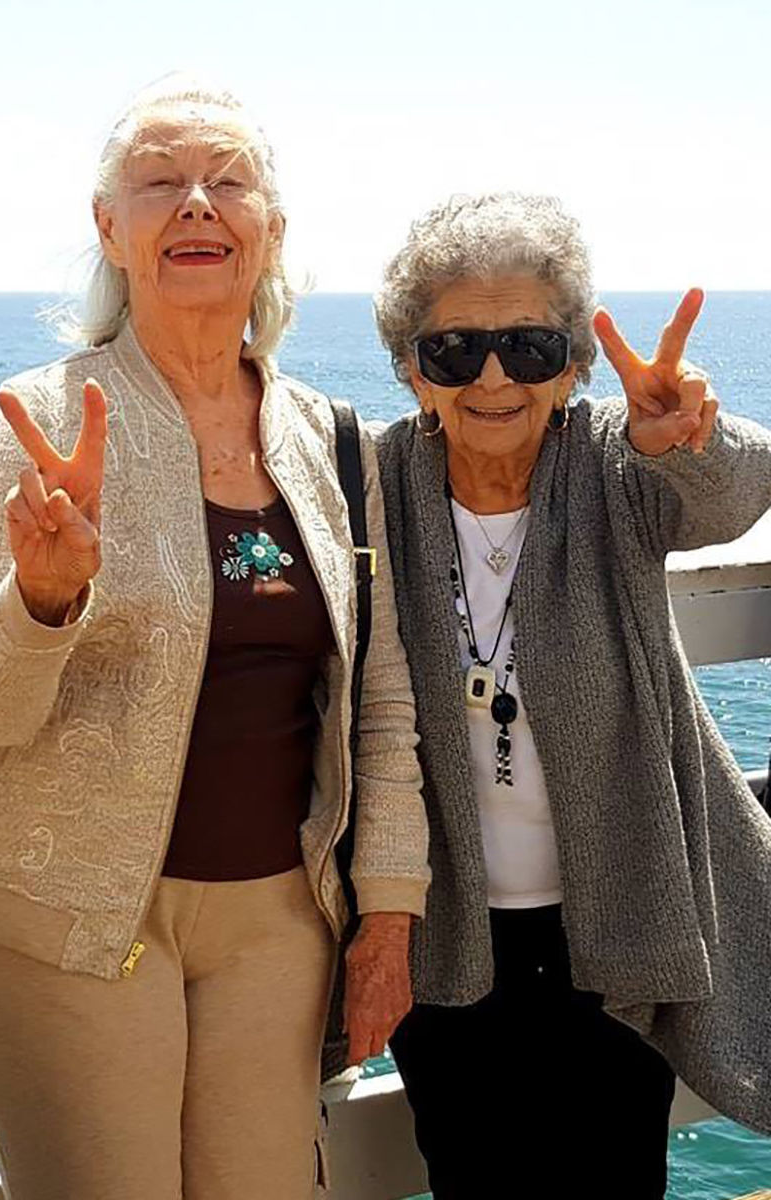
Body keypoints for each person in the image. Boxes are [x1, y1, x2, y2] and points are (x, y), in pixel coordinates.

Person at [0, 76, 431, 1199]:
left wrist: (388, 911)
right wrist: (43, 603)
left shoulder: (332, 440)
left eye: (228, 181)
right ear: (109, 228)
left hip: (274, 921)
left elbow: (383, 694)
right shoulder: (44, 420)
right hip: (69, 913)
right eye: (158, 182)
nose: (197, 203)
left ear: (272, 228)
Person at [374, 192, 771, 1198]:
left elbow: (729, 496)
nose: (494, 376)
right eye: (457, 350)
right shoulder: (375, 480)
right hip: (452, 945)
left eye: (529, 346)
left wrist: (690, 437)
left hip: (615, 932)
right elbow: (262, 557)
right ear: (414, 369)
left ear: (572, 369)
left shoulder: (608, 461)